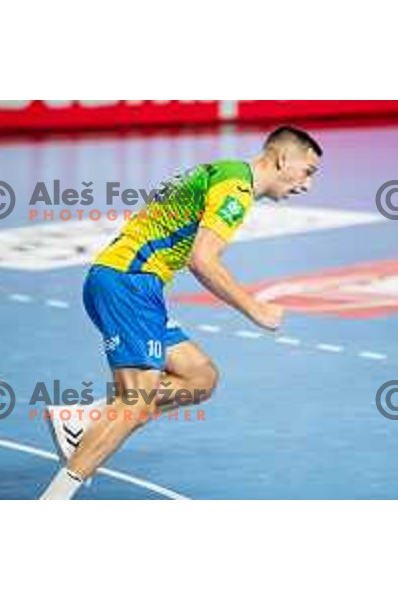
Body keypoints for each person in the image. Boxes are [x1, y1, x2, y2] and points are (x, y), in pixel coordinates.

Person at [40, 126, 322, 500]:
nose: (307, 185)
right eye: (309, 171)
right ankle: (53, 500)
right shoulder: (235, 190)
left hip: (130, 283)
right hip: (129, 282)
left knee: (200, 377)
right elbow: (202, 260)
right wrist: (256, 310)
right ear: (283, 158)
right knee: (136, 402)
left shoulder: (224, 171)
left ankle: (83, 420)